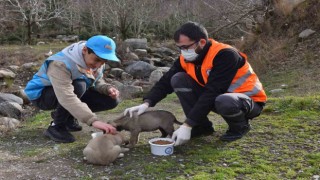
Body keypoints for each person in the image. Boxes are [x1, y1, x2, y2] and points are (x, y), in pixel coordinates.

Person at [124, 22, 267, 146]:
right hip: (220, 99)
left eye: (186, 47)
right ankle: (201, 127)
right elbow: (166, 81)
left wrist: (187, 124)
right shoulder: (186, 58)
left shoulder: (226, 55)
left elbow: (214, 91)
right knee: (178, 79)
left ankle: (240, 127)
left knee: (224, 100)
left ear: (202, 42)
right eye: (179, 48)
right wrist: (147, 103)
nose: (183, 52)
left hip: (248, 101)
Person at [24, 35, 120, 143]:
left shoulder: (96, 61)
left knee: (111, 100)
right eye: (97, 60)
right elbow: (66, 96)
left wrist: (107, 88)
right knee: (79, 85)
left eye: (103, 62)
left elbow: (97, 81)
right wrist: (92, 120)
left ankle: (68, 117)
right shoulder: (60, 63)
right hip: (41, 96)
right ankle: (56, 126)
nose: (98, 65)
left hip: (69, 92)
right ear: (84, 50)